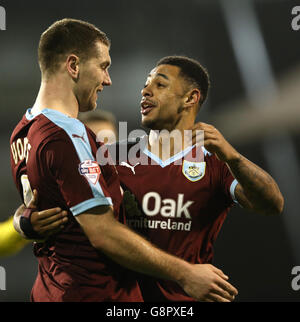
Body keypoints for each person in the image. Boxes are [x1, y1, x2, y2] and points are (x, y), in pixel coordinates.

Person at [10, 18, 237, 302]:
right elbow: (103, 233)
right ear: (73, 66)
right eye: (103, 66)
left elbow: (46, 203)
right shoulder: (68, 136)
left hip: (51, 288)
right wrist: (186, 273)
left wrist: (23, 221)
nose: (107, 79)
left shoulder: (22, 131)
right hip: (94, 294)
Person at [42, 55, 284, 301]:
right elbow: (55, 204)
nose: (145, 90)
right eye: (146, 84)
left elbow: (271, 204)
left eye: (160, 84)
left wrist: (233, 157)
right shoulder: (110, 157)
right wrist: (23, 221)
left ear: (191, 98)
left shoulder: (216, 162)